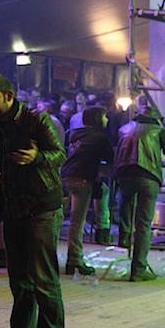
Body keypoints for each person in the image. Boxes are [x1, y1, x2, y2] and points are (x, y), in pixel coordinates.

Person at [0, 75, 69, 328]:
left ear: (8, 96)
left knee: (43, 277)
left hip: (42, 207)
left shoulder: (37, 120)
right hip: (13, 207)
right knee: (19, 279)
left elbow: (60, 155)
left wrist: (37, 157)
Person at [114, 94, 165, 281]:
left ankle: (124, 238)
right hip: (148, 176)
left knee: (125, 212)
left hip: (124, 175)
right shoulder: (158, 131)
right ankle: (138, 268)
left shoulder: (124, 129)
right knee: (144, 224)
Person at [60, 106, 112, 276]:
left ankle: (60, 259)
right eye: (104, 117)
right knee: (77, 221)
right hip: (82, 179)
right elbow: (111, 158)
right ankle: (74, 259)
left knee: (61, 219)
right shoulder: (99, 137)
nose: (107, 120)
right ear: (98, 119)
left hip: (66, 176)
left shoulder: (76, 134)